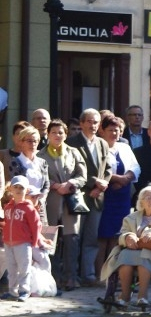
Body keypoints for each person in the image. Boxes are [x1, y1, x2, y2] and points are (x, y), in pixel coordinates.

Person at [99, 184, 151, 309]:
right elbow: (122, 233)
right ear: (141, 202)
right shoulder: (131, 217)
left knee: (145, 256)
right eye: (147, 197)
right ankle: (125, 296)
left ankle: (143, 296)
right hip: (133, 248)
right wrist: (127, 237)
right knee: (124, 256)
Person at [39, 120, 87, 291]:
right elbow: (39, 176)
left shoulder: (74, 153)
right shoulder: (40, 154)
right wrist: (53, 185)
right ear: (48, 134)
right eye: (54, 132)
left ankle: (71, 277)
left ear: (66, 135)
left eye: (61, 133)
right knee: (49, 239)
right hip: (50, 201)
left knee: (71, 240)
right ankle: (53, 277)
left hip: (70, 201)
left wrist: (71, 184)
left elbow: (83, 176)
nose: (57, 136)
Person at [67, 108, 112, 286]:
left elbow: (108, 169)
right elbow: (72, 170)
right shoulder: (72, 142)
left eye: (96, 122)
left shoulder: (102, 143)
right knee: (74, 238)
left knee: (91, 238)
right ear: (82, 123)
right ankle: (72, 275)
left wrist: (103, 185)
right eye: (90, 122)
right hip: (79, 196)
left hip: (97, 198)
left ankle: (89, 274)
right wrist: (94, 183)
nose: (93, 125)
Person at [96, 115, 141, 279]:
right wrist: (115, 179)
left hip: (122, 196)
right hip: (105, 195)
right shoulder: (98, 146)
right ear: (102, 130)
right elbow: (97, 171)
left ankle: (114, 273)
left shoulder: (124, 147)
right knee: (103, 236)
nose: (114, 133)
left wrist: (125, 179)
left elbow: (135, 167)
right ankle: (99, 273)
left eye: (117, 130)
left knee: (117, 235)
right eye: (110, 130)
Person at [2, 176, 51, 302]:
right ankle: (12, 291)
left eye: (21, 188)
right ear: (10, 189)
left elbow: (36, 226)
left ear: (26, 191)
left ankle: (24, 290)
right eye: (16, 187)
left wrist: (34, 242)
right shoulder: (7, 207)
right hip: (9, 243)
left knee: (24, 268)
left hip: (23, 243)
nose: (18, 190)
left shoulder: (29, 208)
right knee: (11, 268)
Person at [9, 125, 50, 218]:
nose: (33, 144)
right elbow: (17, 185)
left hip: (40, 206)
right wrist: (30, 201)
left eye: (35, 141)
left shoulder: (42, 162)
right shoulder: (15, 162)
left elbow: (46, 185)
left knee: (42, 231)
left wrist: (40, 200)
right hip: (22, 206)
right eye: (29, 141)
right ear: (21, 142)